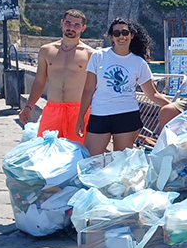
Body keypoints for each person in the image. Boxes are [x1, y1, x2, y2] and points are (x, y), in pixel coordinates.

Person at [76, 18, 170, 156]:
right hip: (100, 113)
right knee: (90, 159)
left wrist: (173, 107)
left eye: (125, 32)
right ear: (111, 36)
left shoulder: (139, 62)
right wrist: (80, 116)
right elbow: (89, 89)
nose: (121, 36)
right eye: (117, 33)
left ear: (132, 35)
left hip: (127, 114)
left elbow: (152, 94)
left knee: (121, 163)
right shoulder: (98, 56)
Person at [18, 9, 94, 143]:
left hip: (78, 110)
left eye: (77, 25)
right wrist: (29, 107)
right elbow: (39, 81)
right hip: (52, 109)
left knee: (76, 152)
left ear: (83, 28)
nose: (71, 28)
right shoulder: (46, 50)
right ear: (62, 23)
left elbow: (94, 87)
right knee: (45, 151)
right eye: (68, 23)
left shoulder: (90, 54)